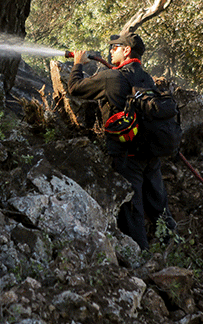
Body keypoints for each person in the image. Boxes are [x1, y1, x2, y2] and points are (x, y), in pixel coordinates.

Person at [67, 27, 177, 251]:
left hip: (127, 155)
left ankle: (139, 256)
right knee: (158, 203)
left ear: (126, 51)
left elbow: (75, 88)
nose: (111, 51)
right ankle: (173, 248)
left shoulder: (112, 77)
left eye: (115, 47)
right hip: (151, 152)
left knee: (132, 209)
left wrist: (78, 64)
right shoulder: (145, 77)